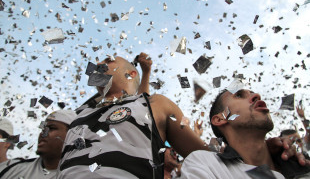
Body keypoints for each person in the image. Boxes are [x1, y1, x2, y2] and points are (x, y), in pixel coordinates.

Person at [57, 56, 309, 179]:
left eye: (108, 61)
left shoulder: (154, 105)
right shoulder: (76, 116)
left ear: (130, 73)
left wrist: (260, 154)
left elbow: (217, 160)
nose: (98, 65)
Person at [180, 89, 310, 179]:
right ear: (220, 119)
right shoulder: (205, 164)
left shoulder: (302, 167)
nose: (257, 95)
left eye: (253, 93)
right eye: (239, 95)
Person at [2, 110, 77, 179]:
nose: (43, 133)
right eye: (43, 129)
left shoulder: (82, 174)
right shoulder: (14, 170)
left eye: (51, 128)